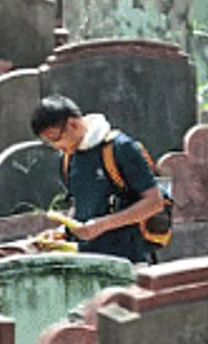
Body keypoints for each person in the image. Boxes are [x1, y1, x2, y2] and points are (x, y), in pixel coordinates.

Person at [31, 95, 164, 263]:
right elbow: (80, 205)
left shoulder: (120, 148)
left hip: (130, 258)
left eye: (56, 138)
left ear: (73, 124)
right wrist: (64, 231)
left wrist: (101, 225)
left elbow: (154, 203)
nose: (57, 146)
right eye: (49, 143)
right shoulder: (66, 158)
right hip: (87, 258)